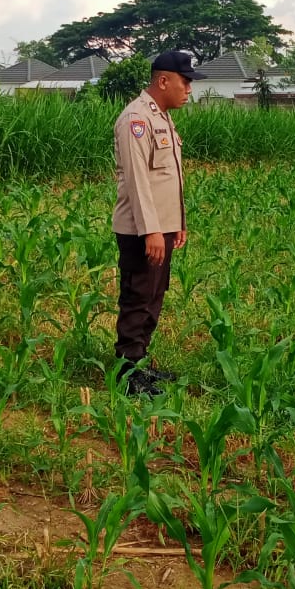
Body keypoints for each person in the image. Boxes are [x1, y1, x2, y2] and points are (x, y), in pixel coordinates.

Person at [112, 50, 205, 395]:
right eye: (185, 82)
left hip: (161, 227)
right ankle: (126, 375)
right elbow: (138, 181)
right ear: (163, 80)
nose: (189, 90)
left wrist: (176, 224)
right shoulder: (136, 119)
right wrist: (152, 229)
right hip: (141, 229)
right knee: (138, 296)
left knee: (154, 295)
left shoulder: (162, 118)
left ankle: (140, 363)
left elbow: (168, 178)